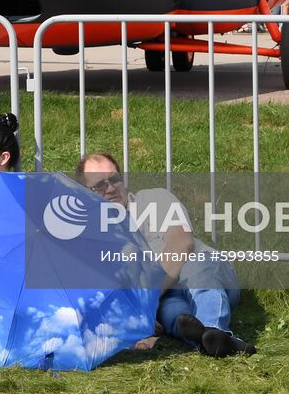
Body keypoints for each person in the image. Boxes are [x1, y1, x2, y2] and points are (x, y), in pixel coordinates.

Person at [77, 152, 254, 358]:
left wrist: (146, 303)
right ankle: (213, 341)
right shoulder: (93, 240)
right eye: (100, 185)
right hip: (165, 297)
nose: (110, 188)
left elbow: (182, 244)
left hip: (203, 273)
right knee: (175, 316)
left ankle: (216, 329)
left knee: (197, 266)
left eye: (114, 179)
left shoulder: (153, 199)